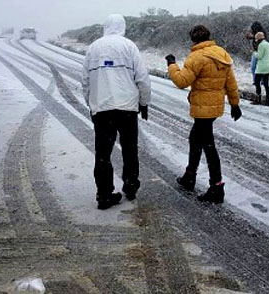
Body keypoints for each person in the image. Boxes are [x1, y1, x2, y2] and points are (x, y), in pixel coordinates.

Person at [81, 14, 151, 209]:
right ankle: (130, 185)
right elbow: (142, 77)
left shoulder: (93, 48)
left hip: (102, 109)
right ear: (123, 26)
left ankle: (104, 194)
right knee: (129, 148)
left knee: (103, 153)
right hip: (127, 108)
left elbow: (85, 80)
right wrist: (144, 102)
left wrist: (91, 103)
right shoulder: (129, 46)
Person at [165, 25, 242, 204]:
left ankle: (216, 186)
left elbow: (182, 81)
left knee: (208, 146)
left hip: (202, 109)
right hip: (214, 108)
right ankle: (189, 176)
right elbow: (231, 82)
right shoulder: (221, 54)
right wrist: (234, 104)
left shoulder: (197, 57)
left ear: (193, 39)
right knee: (196, 138)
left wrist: (171, 65)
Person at [252, 31, 269, 105]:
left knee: (257, 83)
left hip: (261, 67)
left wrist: (254, 53)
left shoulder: (261, 45)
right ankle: (268, 99)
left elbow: (259, 56)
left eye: (256, 39)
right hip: (268, 66)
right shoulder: (267, 44)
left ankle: (258, 99)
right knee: (266, 84)